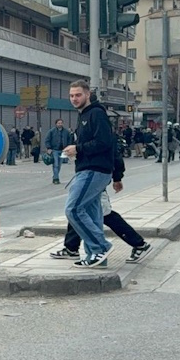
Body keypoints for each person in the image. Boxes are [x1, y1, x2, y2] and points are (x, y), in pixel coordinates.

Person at [52, 139, 152, 264]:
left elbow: (114, 156)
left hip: (96, 180)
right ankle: (72, 247)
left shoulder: (101, 133)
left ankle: (138, 243)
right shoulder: (88, 130)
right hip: (91, 179)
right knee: (79, 211)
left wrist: (117, 177)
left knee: (101, 214)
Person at [62, 80, 115, 268]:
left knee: (73, 209)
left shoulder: (96, 114)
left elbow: (105, 142)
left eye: (78, 95)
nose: (74, 98)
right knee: (92, 214)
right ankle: (96, 257)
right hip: (91, 168)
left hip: (94, 169)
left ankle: (101, 247)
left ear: (87, 95)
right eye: (71, 95)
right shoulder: (84, 115)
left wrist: (78, 149)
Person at [44, 119, 71, 185]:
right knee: (55, 164)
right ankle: (56, 179)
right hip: (54, 150)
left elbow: (69, 140)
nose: (60, 124)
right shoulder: (52, 131)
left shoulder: (66, 132)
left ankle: (55, 176)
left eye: (61, 123)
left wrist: (68, 148)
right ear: (56, 124)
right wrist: (49, 148)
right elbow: (47, 139)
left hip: (63, 150)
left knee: (59, 165)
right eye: (59, 123)